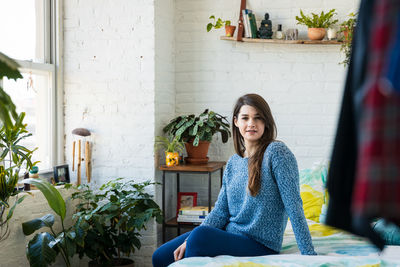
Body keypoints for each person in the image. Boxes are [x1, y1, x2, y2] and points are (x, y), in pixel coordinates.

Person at [152, 94, 316, 267]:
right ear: (236, 122)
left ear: (266, 122)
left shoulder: (277, 153)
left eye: (258, 118)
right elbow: (221, 211)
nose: (251, 123)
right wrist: (190, 239)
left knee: (199, 238)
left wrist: (309, 255)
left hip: (260, 243)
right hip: (231, 234)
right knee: (160, 256)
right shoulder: (233, 162)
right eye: (245, 118)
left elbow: (294, 206)